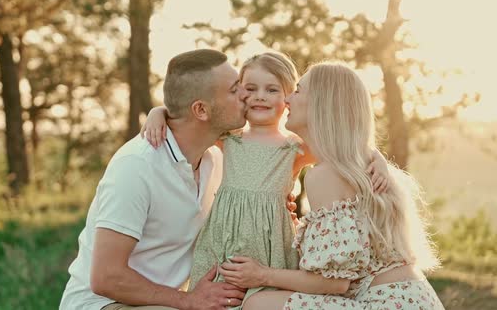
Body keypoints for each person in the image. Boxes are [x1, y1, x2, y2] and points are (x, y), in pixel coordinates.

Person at [141, 53, 390, 309]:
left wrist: (377, 158)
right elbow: (187, 117)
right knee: (218, 298)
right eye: (250, 89)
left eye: (272, 89)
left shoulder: (293, 148)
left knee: (263, 300)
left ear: (288, 99)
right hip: (223, 239)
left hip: (271, 247)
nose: (260, 96)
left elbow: (343, 146)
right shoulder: (228, 138)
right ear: (239, 94)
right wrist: (158, 113)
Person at [216, 62, 445, 310]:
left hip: (384, 302)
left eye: (298, 91)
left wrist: (261, 274)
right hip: (413, 298)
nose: (288, 98)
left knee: (259, 304)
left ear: (321, 103)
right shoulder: (355, 164)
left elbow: (334, 283)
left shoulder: (326, 175)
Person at [59, 49, 251, 310]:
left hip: (162, 302)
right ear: (201, 110)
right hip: (102, 304)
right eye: (233, 89)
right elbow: (106, 277)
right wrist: (190, 300)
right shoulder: (136, 166)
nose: (245, 95)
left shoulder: (215, 159)